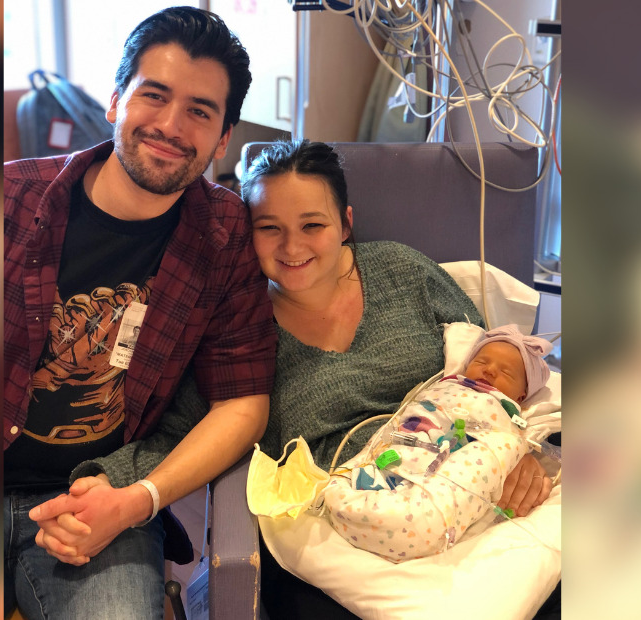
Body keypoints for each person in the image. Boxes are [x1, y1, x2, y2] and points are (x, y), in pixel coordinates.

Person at [46, 140, 554, 616]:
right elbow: (182, 430)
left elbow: (496, 368)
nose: (292, 246)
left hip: (467, 479)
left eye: (313, 224)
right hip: (341, 525)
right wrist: (105, 481)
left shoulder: (407, 272)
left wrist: (523, 449)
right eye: (270, 227)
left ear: (345, 223)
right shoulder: (237, 328)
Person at [2, 7, 277, 619]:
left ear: (223, 138)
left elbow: (243, 401)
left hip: (100, 494)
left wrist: (137, 501)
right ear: (114, 102)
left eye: (200, 112)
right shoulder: (8, 201)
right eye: (154, 96)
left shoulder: (226, 234)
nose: (172, 126)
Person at [323, 325, 554, 562]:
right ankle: (369, 488)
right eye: (482, 361)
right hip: (408, 443)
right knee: (378, 462)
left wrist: (515, 446)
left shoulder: (508, 416)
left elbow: (503, 443)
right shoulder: (444, 386)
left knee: (505, 448)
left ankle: (415, 523)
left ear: (520, 397)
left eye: (506, 373)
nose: (490, 371)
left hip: (443, 463)